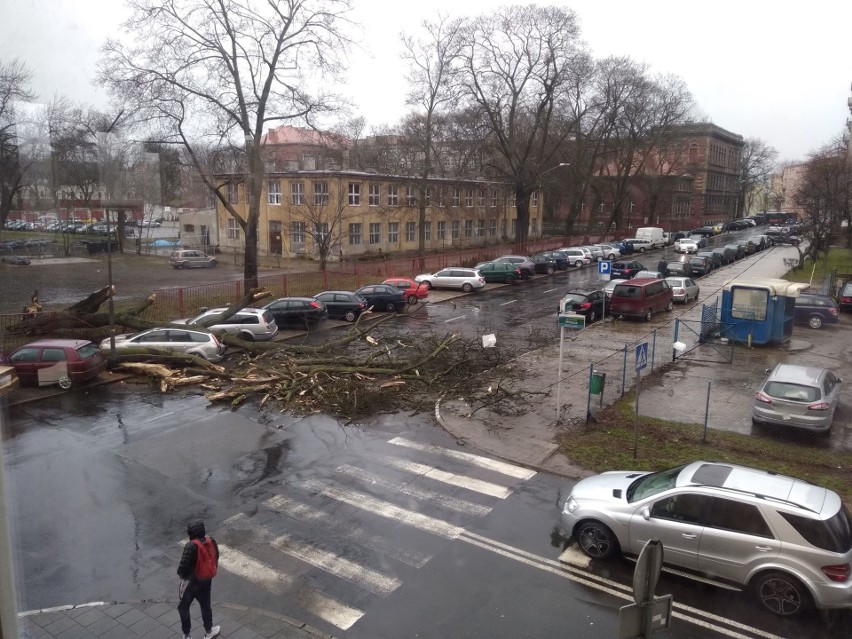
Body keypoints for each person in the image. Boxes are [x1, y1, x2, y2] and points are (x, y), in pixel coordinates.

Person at [177, 520, 220, 639]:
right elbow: (216, 557)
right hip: (206, 580)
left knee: (183, 607)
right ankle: (209, 631)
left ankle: (186, 635)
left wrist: (182, 575)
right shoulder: (211, 541)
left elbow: (182, 567)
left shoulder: (191, 546)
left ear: (190, 533)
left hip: (191, 583)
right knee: (206, 606)